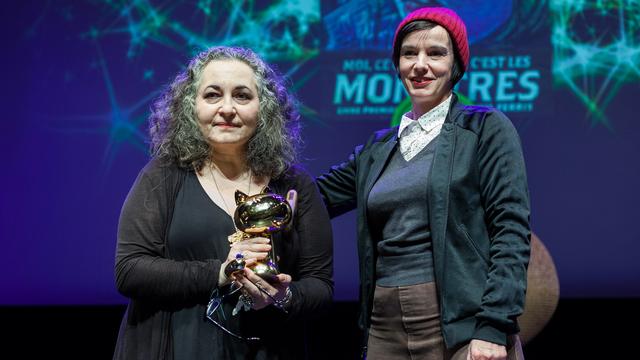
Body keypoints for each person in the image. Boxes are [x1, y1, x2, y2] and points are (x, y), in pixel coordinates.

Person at [316, 7, 530, 360]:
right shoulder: (378, 148)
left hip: (461, 320)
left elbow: (511, 230)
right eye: (409, 53)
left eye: (435, 53)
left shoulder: (484, 129)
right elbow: (314, 198)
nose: (420, 64)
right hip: (384, 322)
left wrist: (494, 324)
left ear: (456, 64)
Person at [113, 46, 333, 360]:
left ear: (265, 108)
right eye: (213, 95)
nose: (227, 108)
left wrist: (284, 296)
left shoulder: (295, 185)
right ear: (191, 106)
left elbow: (320, 286)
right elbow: (129, 270)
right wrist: (220, 272)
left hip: (266, 347)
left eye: (242, 96)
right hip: (174, 347)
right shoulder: (163, 175)